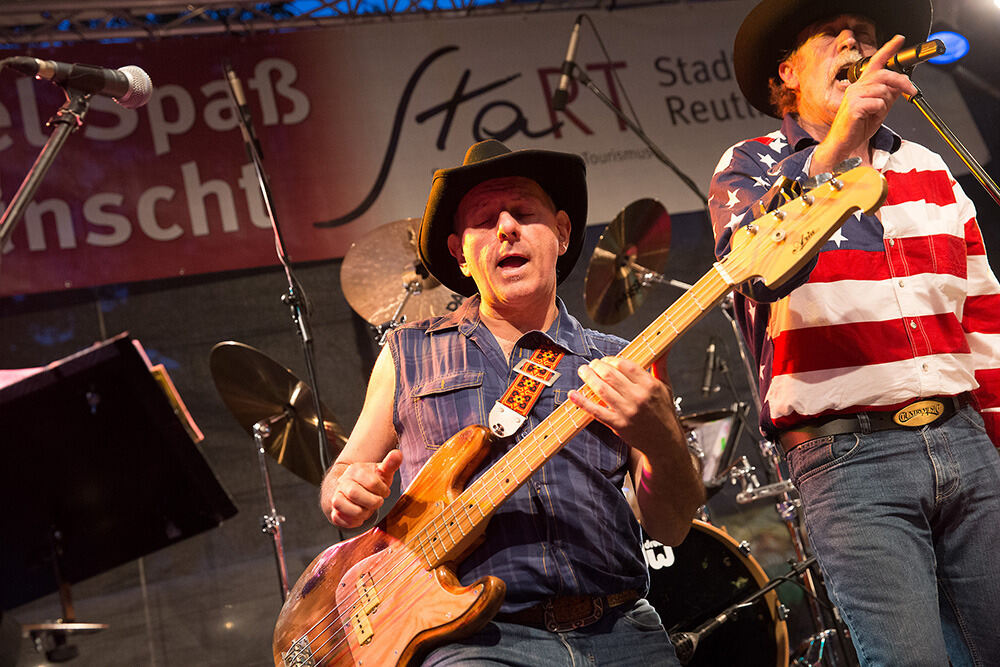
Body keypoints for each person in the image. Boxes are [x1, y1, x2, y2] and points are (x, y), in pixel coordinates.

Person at [320, 139, 704, 665]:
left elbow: (673, 526)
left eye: (523, 213)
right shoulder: (406, 352)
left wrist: (663, 441)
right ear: (459, 252)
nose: (506, 229)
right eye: (483, 221)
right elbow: (347, 472)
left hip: (620, 629)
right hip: (473, 642)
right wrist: (344, 489)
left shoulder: (622, 361)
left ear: (562, 233)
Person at [708, 0, 1000, 665]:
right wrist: (834, 150)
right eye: (832, 36)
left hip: (967, 445)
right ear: (787, 72)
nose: (854, 43)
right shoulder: (752, 163)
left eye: (864, 37)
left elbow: (984, 320)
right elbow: (752, 266)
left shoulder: (929, 167)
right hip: (852, 463)